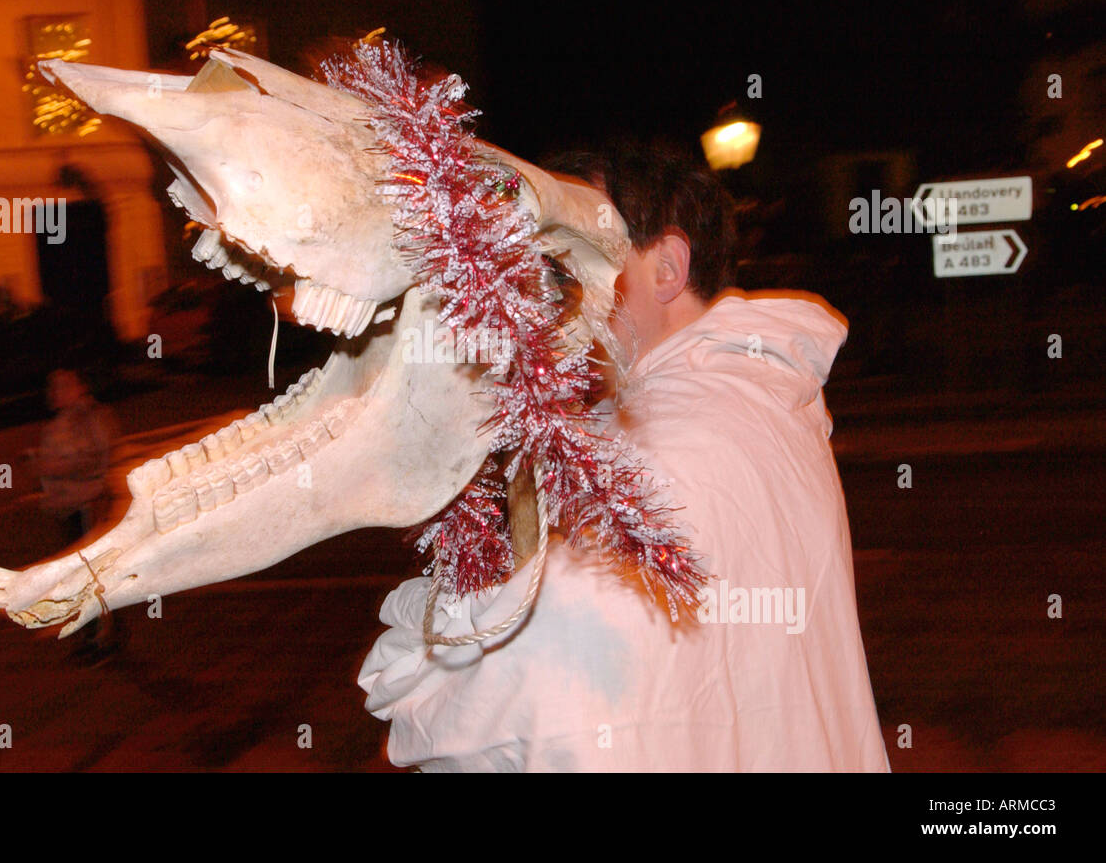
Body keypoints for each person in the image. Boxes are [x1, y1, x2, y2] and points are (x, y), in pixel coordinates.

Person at [358, 141, 890, 772]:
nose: (546, 284)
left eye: (575, 250)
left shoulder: (676, 436)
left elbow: (537, 703)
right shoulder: (755, 400)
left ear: (666, 266)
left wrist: (427, 660)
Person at [33, 369, 121, 663]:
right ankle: (92, 635)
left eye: (63, 386)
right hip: (67, 506)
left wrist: (54, 467)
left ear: (80, 386)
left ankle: (102, 639)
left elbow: (95, 460)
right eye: (52, 386)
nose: (55, 392)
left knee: (90, 574)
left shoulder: (89, 418)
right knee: (78, 576)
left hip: (87, 504)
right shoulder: (63, 421)